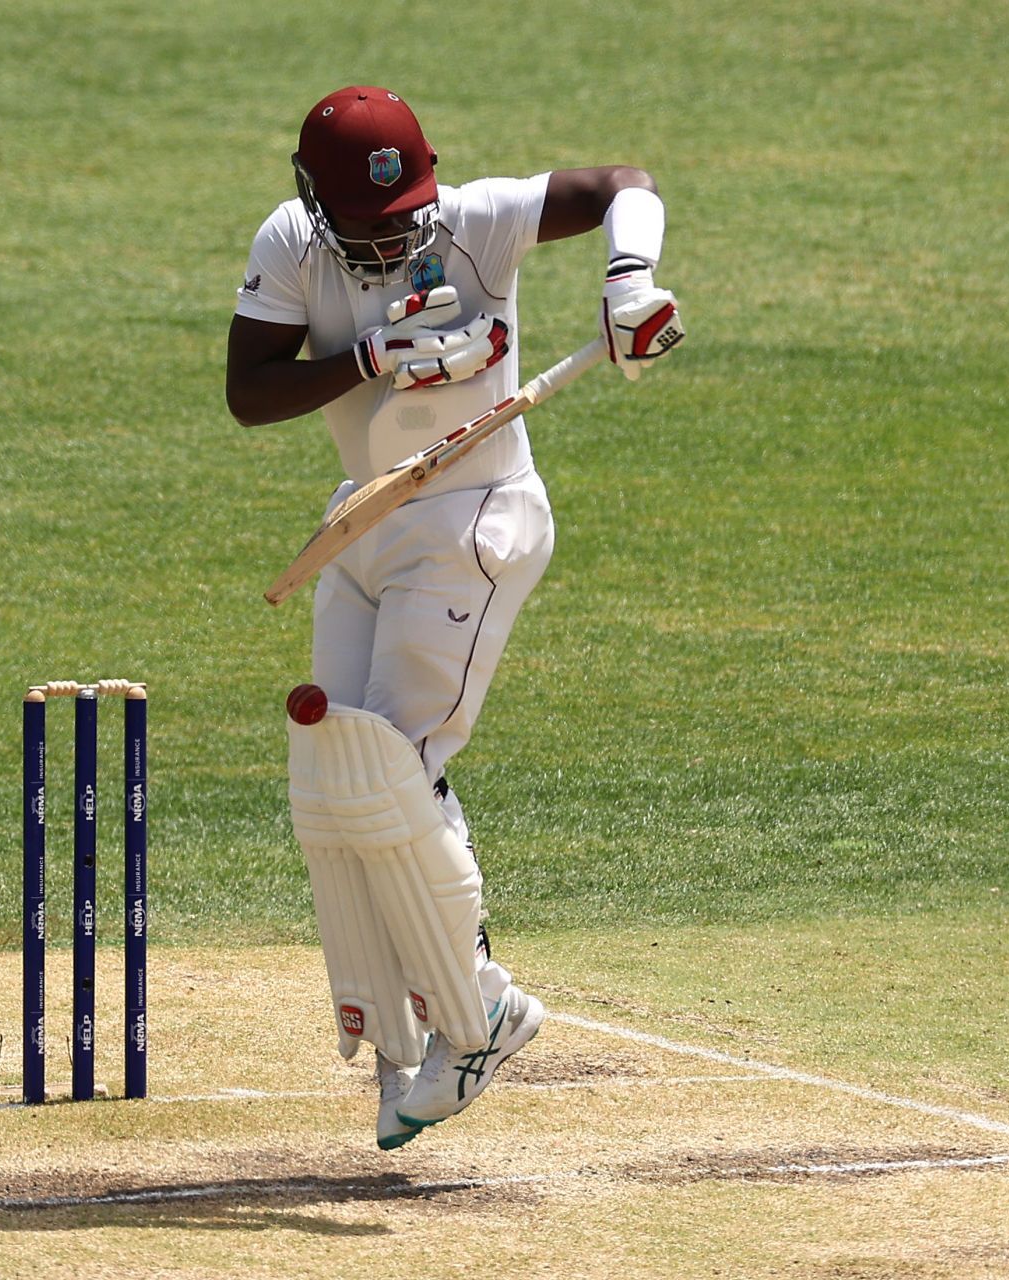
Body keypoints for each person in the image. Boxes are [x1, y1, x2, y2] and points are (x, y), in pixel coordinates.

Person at [226, 86, 680, 1149]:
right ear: (319, 202)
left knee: (396, 765)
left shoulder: (476, 221)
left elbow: (627, 185)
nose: (395, 233)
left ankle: (479, 1010)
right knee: (337, 773)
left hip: (475, 517)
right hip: (365, 520)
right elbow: (250, 390)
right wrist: (375, 355)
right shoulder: (295, 243)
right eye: (371, 222)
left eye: (406, 210)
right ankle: (402, 1031)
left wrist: (630, 284)